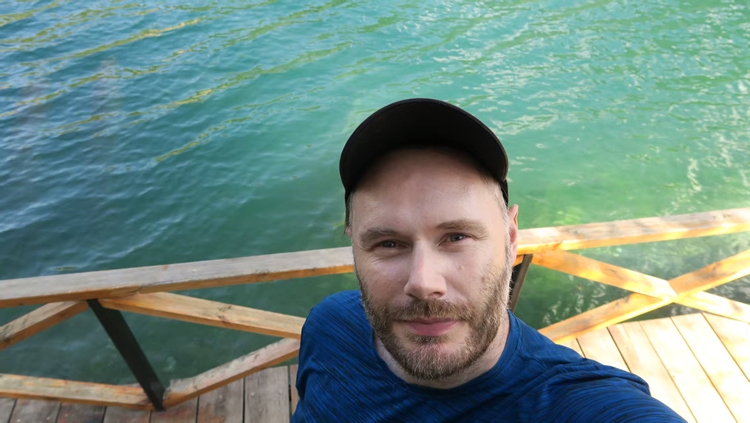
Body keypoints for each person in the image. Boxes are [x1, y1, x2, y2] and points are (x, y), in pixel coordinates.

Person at [292, 99, 685, 422]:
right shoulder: (329, 327)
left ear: (510, 238)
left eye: (457, 237)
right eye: (389, 243)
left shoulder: (583, 406)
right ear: (355, 247)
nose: (424, 282)